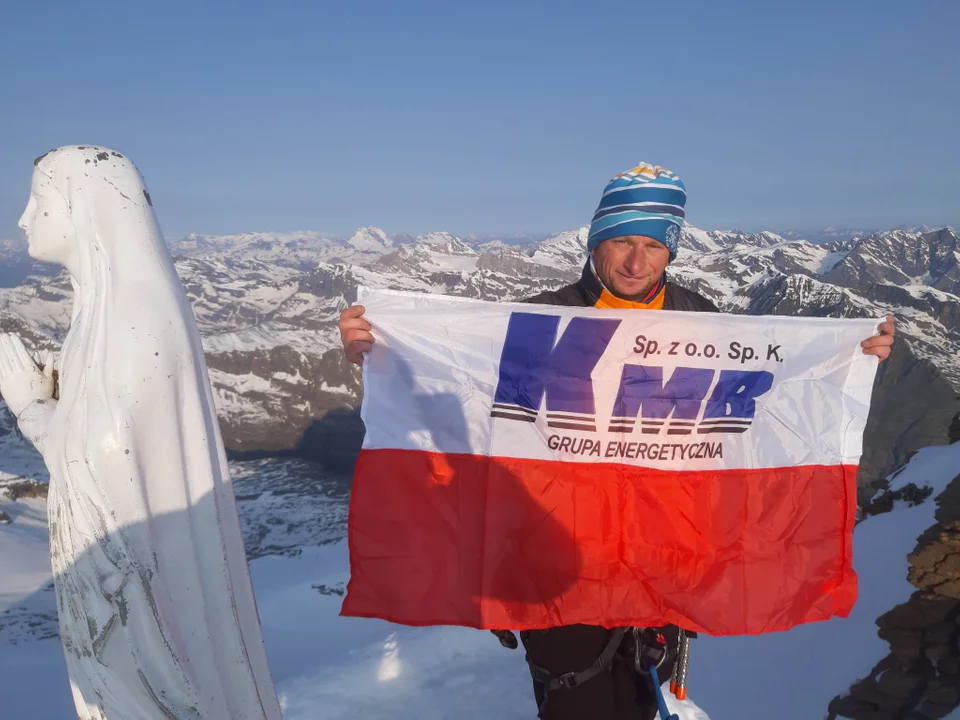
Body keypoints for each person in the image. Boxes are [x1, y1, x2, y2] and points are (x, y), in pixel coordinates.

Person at [337, 162, 896, 719]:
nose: (636, 261)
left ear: (671, 251)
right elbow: (469, 400)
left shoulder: (700, 319)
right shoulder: (545, 316)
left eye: (653, 246)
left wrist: (847, 356)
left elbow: (766, 400)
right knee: (577, 702)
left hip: (665, 553)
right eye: (621, 242)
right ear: (595, 243)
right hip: (558, 558)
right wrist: (384, 349)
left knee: (636, 703)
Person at [0, 146, 282, 720]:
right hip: (125, 588)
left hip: (134, 605)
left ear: (86, 210)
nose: (24, 218)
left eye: (39, 201)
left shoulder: (132, 319)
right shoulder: (100, 313)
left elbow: (101, 469)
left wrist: (29, 408)